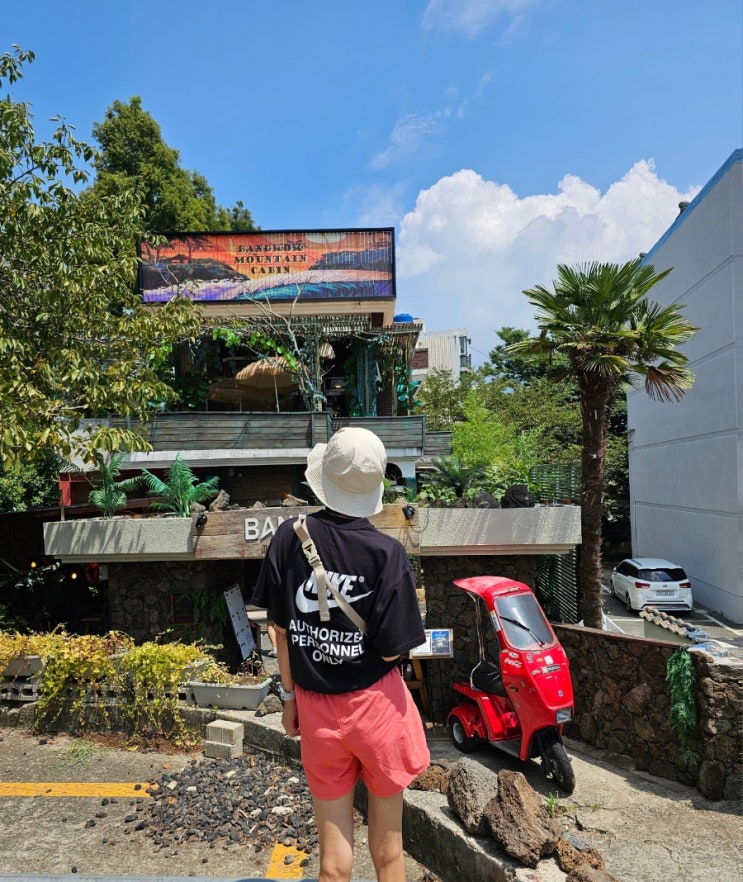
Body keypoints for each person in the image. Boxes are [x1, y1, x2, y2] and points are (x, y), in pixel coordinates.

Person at [252, 426, 430, 882]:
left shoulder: (289, 537)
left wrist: (289, 699)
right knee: (389, 853)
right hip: (377, 709)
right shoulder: (387, 554)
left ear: (324, 478)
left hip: (317, 712)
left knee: (333, 863)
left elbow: (279, 631)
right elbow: (392, 653)